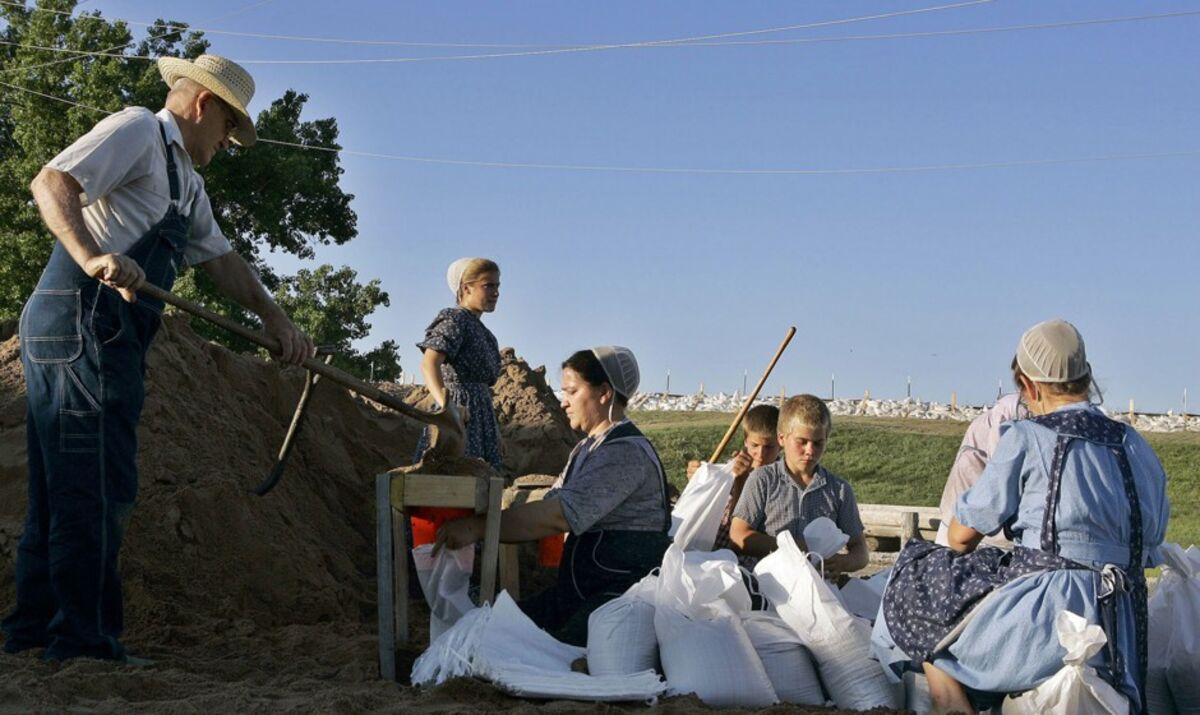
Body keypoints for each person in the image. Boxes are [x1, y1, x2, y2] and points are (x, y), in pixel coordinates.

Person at [2, 55, 314, 663]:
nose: (227, 143)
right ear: (203, 106)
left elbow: (221, 261)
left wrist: (273, 317)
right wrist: (94, 255)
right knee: (96, 484)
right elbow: (52, 183)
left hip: (107, 337)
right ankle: (81, 643)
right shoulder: (138, 130)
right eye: (228, 128)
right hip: (78, 321)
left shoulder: (185, 182)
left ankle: (32, 633)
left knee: (63, 487)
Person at [874, 319, 1170, 714]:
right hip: (1123, 626)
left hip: (1050, 619)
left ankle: (950, 702)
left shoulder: (1029, 437)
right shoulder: (1135, 444)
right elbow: (1151, 543)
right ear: (1087, 378)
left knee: (919, 582)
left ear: (1029, 386)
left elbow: (962, 535)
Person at [436, 346, 671, 646]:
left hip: (620, 596)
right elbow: (551, 502)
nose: (564, 403)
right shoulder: (587, 449)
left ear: (604, 393)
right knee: (494, 626)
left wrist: (479, 527)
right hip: (582, 589)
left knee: (547, 650)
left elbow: (558, 515)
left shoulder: (624, 453)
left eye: (572, 392)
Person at [409, 257, 503, 547]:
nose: (496, 292)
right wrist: (448, 407)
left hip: (481, 414)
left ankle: (471, 569)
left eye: (498, 286)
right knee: (451, 492)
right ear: (465, 287)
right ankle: (434, 564)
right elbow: (429, 364)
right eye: (488, 286)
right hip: (460, 416)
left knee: (480, 495)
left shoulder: (485, 333)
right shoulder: (455, 319)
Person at [729, 394, 869, 574]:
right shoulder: (762, 480)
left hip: (817, 587)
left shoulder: (839, 490)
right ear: (781, 438)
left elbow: (861, 551)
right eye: (802, 442)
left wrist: (843, 563)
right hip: (767, 584)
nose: (810, 451)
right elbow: (739, 535)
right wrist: (792, 548)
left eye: (818, 443)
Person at [933, 393, 1029, 547]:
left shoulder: (1012, 409)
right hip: (973, 490)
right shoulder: (1009, 413)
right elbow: (1001, 464)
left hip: (971, 501)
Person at [685, 404, 781, 556]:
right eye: (755, 445)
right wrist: (699, 479)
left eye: (769, 447)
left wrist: (741, 481)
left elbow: (740, 532)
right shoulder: (733, 467)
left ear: (781, 444)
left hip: (740, 559)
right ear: (745, 440)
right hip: (706, 550)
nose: (760, 454)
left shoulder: (780, 482)